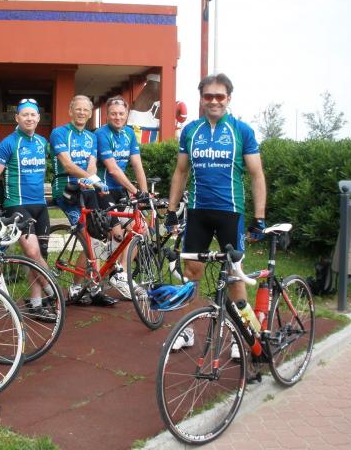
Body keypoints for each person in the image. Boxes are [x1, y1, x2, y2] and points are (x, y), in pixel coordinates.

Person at [166, 73, 267, 352]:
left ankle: (240, 336)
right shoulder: (191, 130)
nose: (214, 101)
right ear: (201, 99)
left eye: (219, 96)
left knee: (234, 275)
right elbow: (181, 172)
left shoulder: (241, 130)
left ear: (228, 98)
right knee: (191, 270)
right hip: (198, 212)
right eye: (208, 96)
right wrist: (171, 211)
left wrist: (259, 217)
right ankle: (187, 331)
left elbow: (257, 175)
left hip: (230, 213)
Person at [0, 98, 56, 322]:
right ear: (17, 118)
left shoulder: (42, 143)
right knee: (32, 252)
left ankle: (36, 303)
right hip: (16, 204)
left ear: (38, 118)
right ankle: (53, 292)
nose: (29, 118)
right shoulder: (8, 143)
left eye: (33, 115)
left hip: (40, 206)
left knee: (39, 256)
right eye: (24, 114)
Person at [50, 95, 116, 306]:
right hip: (67, 190)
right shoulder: (59, 133)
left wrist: (90, 179)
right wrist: (91, 180)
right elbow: (68, 165)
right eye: (78, 109)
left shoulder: (91, 137)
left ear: (90, 114)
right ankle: (78, 287)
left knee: (98, 233)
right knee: (86, 234)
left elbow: (92, 164)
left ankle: (93, 286)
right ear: (70, 111)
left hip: (87, 189)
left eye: (86, 110)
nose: (81, 113)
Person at [95, 95, 149, 299]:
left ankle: (122, 275)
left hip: (121, 190)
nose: (117, 117)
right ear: (107, 115)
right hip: (103, 189)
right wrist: (135, 190)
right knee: (117, 235)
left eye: (121, 113)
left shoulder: (129, 133)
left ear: (127, 114)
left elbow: (137, 164)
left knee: (139, 228)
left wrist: (143, 194)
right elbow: (113, 169)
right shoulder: (101, 134)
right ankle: (103, 274)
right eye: (113, 114)